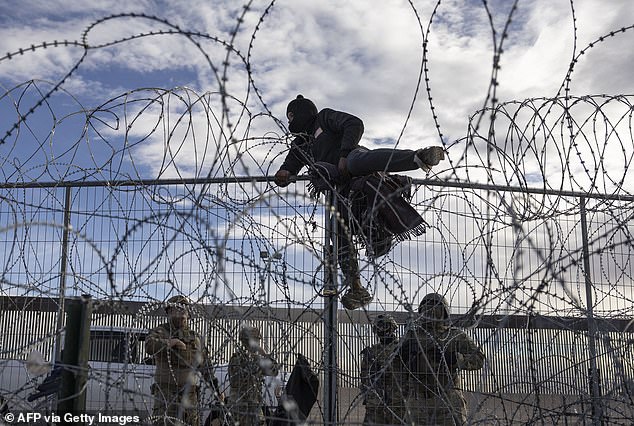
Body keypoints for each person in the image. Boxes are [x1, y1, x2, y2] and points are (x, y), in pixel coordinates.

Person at [274, 95, 445, 310]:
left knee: (357, 161)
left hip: (352, 159)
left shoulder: (324, 118)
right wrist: (283, 174)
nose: (290, 123)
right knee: (338, 230)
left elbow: (354, 124)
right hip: (341, 190)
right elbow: (289, 166)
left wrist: (344, 154)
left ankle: (418, 158)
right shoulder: (301, 144)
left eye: (291, 117)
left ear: (300, 114)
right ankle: (356, 288)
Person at [402, 293, 485, 425]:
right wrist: (403, 356)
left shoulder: (454, 335)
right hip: (418, 399)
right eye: (427, 307)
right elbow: (394, 365)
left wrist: (454, 358)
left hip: (448, 400)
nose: (430, 311)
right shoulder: (412, 336)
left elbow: (479, 359)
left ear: (444, 311)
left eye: (435, 307)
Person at [146, 295, 223, 426]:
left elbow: (206, 368)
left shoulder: (195, 338)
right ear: (169, 312)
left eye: (185, 310)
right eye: (178, 309)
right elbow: (150, 346)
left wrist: (216, 391)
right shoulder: (161, 331)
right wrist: (171, 342)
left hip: (189, 396)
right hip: (166, 396)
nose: (183, 313)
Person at [360, 314, 409, 425]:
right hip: (376, 403)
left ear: (392, 327)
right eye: (378, 328)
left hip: (397, 401)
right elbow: (364, 377)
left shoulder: (402, 348)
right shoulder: (371, 352)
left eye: (385, 326)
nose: (382, 330)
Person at [229, 325, 280, 426]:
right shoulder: (237, 359)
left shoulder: (257, 360)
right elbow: (235, 381)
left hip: (254, 406)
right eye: (255, 341)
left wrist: (265, 355)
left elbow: (274, 371)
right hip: (240, 408)